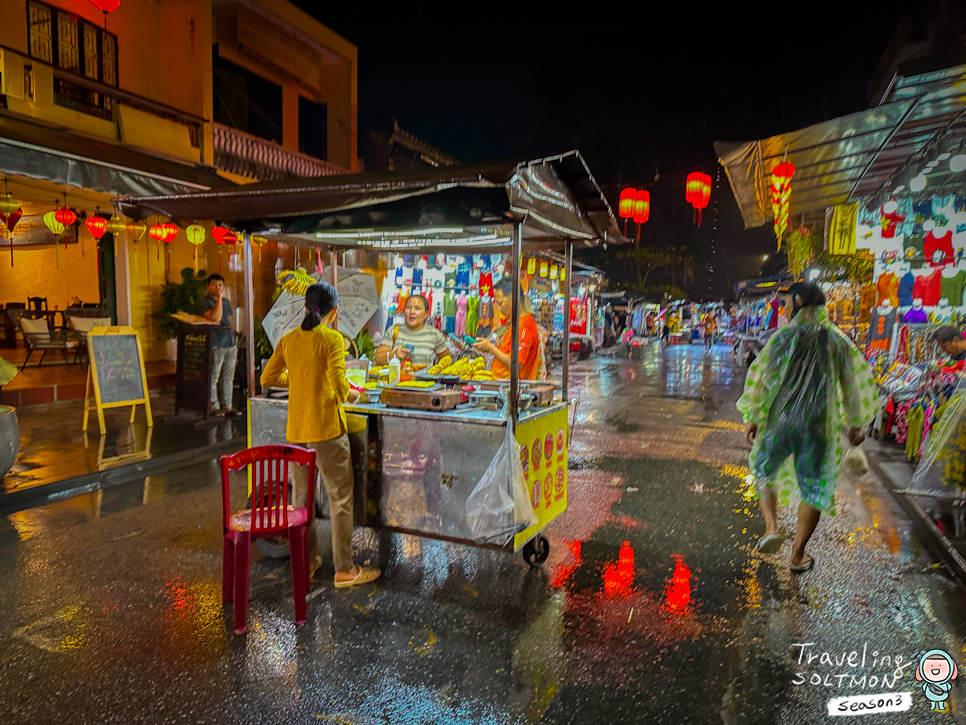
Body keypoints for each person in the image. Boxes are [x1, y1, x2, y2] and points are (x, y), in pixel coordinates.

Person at [737, 282, 878, 573]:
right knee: (814, 489)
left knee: (764, 469)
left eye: (787, 303)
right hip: (818, 426)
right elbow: (851, 385)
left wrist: (753, 416)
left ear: (799, 302)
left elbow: (763, 378)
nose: (785, 308)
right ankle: (798, 554)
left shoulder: (782, 338)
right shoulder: (836, 339)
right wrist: (854, 423)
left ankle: (772, 526)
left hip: (780, 420)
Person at [260, 282, 381, 589]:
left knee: (301, 500)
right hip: (327, 429)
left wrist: (299, 380)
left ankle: (307, 562)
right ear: (334, 311)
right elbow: (341, 387)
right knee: (340, 498)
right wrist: (354, 395)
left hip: (298, 431)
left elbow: (267, 377)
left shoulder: (289, 340)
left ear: (305, 308)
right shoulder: (332, 338)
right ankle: (343, 569)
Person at [473, 276, 541, 380]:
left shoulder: (525, 325)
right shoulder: (516, 324)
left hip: (513, 391)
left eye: (500, 303)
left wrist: (491, 348)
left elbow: (516, 364)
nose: (499, 309)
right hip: (501, 386)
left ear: (513, 299)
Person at [197, 273, 240, 417]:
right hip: (216, 342)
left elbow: (229, 319)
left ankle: (228, 405)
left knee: (228, 377)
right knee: (214, 376)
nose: (218, 288)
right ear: (208, 286)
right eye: (214, 285)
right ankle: (213, 406)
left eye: (220, 285)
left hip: (229, 342)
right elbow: (215, 318)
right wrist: (219, 298)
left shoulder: (227, 302)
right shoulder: (204, 302)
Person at [374, 294, 450, 367]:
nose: (412, 312)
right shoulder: (394, 330)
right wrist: (393, 355)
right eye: (408, 307)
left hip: (423, 380)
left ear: (426, 314)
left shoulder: (434, 334)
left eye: (417, 308)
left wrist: (435, 371)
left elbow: (446, 359)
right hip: (397, 379)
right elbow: (378, 359)